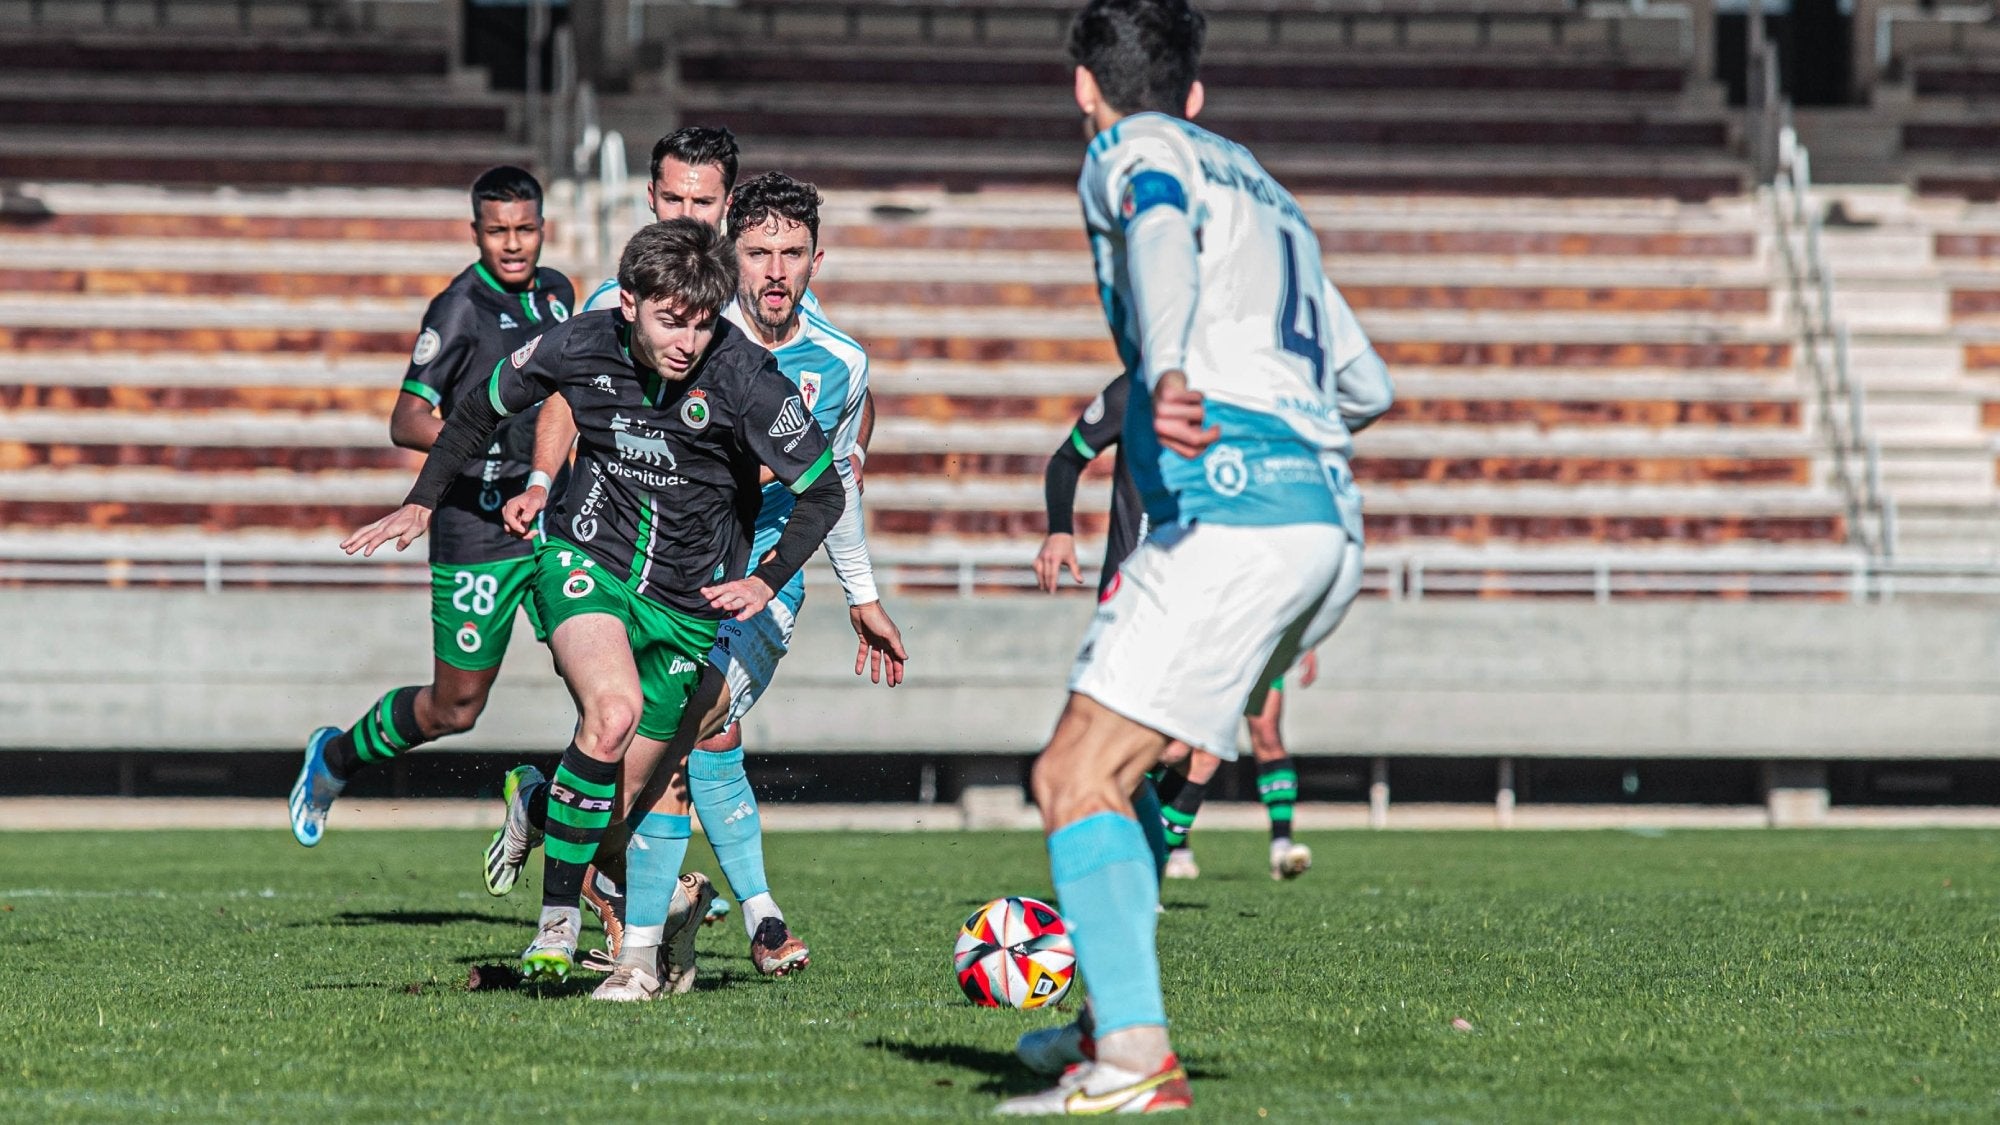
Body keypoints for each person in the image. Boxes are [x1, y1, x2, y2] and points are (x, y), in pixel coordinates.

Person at [998, 0, 1392, 1113]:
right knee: (1119, 777)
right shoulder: (1264, 186)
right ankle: (1101, 1025)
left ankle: (1130, 1061)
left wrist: (1168, 370)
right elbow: (1366, 388)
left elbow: (1157, 220)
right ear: (1196, 91)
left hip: (1232, 514)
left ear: (1085, 89)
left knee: (1070, 775)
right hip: (1325, 520)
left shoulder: (1134, 148)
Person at [341, 219, 848, 1002]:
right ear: (632, 305)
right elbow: (477, 410)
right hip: (587, 561)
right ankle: (556, 927)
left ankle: (537, 801)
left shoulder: (747, 377)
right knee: (610, 714)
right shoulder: (578, 343)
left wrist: (768, 576)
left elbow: (824, 488)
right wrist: (420, 502)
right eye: (670, 319)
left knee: (614, 811)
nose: (687, 339)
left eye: (704, 321)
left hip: (689, 605)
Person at [508, 172, 908, 978]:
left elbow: (830, 483)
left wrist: (860, 594)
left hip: (766, 577)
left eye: (791, 254)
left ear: (814, 261)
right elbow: (571, 391)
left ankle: (622, 901)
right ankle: (660, 927)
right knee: (666, 750)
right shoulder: (683, 317)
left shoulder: (838, 361)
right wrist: (554, 486)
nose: (774, 271)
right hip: (665, 569)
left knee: (694, 732)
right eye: (758, 252)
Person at [289, 166, 573, 847]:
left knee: (607, 683)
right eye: (498, 231)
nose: (513, 244)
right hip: (474, 527)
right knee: (456, 706)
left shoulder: (560, 293)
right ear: (475, 232)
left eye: (525, 229)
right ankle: (334, 759)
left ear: (543, 229)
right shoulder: (459, 309)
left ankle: (616, 863)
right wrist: (482, 453)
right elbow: (406, 418)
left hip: (551, 518)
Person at [1037, 373, 1317, 883]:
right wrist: (1059, 530)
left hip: (1212, 596)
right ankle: (1128, 862)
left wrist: (1296, 621)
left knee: (1202, 749)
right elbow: (1066, 459)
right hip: (1136, 594)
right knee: (1143, 750)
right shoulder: (1134, 392)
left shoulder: (1242, 398)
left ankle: (1149, 867)